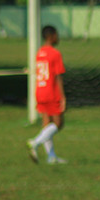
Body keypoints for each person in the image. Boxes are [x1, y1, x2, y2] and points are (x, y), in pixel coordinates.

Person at [27, 25, 67, 164]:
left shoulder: (40, 52)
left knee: (46, 124)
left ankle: (51, 157)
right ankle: (35, 142)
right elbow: (57, 76)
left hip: (40, 90)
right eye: (56, 34)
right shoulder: (55, 53)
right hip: (51, 91)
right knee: (58, 123)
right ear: (51, 36)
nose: (58, 37)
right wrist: (62, 97)